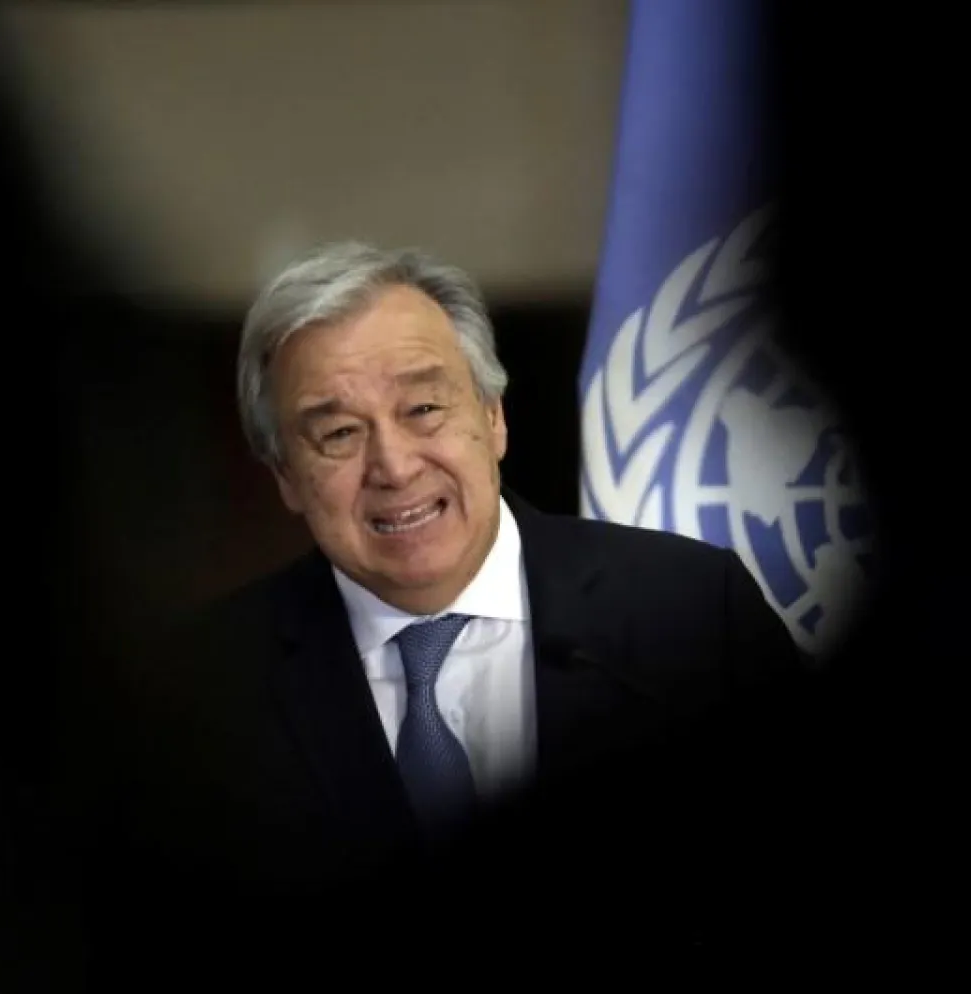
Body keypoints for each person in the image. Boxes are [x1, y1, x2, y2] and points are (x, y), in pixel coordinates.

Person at [63, 240, 807, 977]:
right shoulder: (197, 696)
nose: (393, 466)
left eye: (423, 408)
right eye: (339, 434)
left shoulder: (691, 612)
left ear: (494, 419)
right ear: (286, 477)